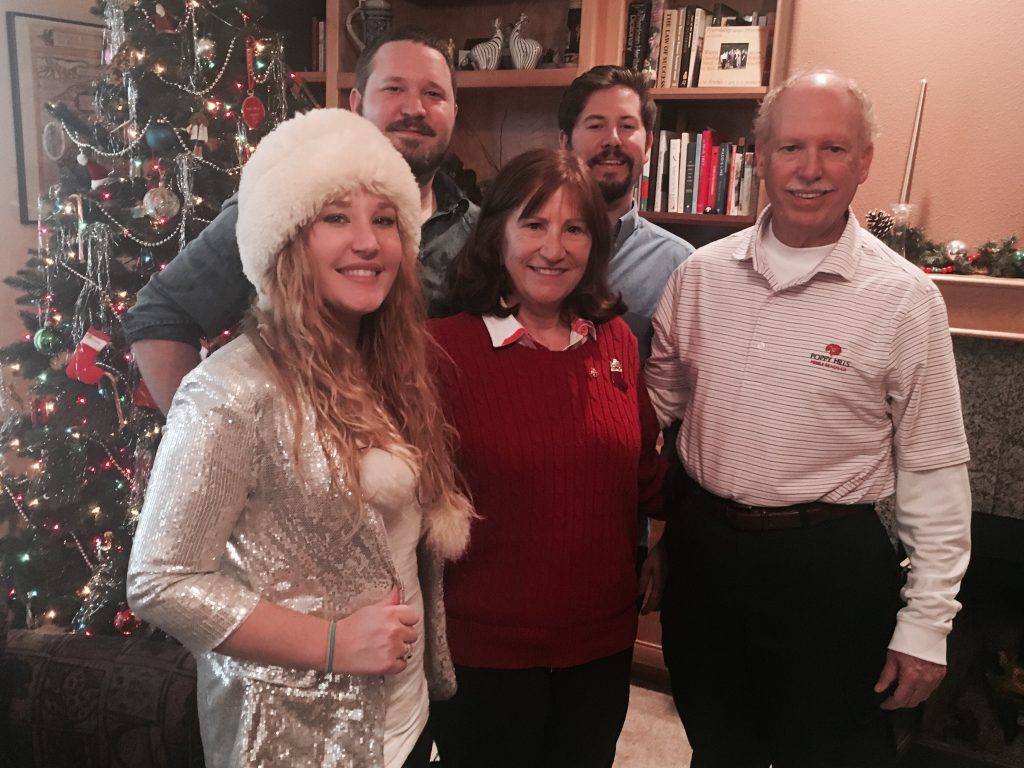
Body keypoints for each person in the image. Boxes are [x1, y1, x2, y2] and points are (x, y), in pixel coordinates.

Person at [126, 109, 473, 768]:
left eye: (384, 219)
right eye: (336, 217)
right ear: (286, 239)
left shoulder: (389, 364)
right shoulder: (229, 392)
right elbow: (160, 581)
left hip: (403, 716)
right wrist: (332, 644)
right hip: (299, 737)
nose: (367, 241)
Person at [644, 71, 972, 767]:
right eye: (791, 147)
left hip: (827, 568)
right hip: (706, 557)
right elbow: (651, 415)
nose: (811, 170)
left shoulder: (906, 300)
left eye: (833, 148)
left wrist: (927, 624)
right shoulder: (698, 276)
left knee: (831, 752)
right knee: (715, 743)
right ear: (759, 155)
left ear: (865, 161)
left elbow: (935, 469)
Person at [427, 148, 667, 768]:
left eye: (574, 228)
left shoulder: (613, 340)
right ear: (498, 232)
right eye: (534, 224)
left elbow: (645, 475)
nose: (553, 248)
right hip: (485, 654)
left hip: (600, 645)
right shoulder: (439, 350)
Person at [124, 27, 477, 413]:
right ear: (357, 103)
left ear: (454, 113)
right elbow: (161, 313)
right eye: (394, 89)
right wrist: (208, 432)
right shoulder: (284, 199)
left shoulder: (479, 230)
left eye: (433, 94)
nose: (415, 109)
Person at [558, 65, 694, 361]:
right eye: (596, 125)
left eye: (627, 126)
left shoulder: (680, 266)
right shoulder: (525, 248)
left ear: (648, 146)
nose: (613, 140)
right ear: (565, 143)